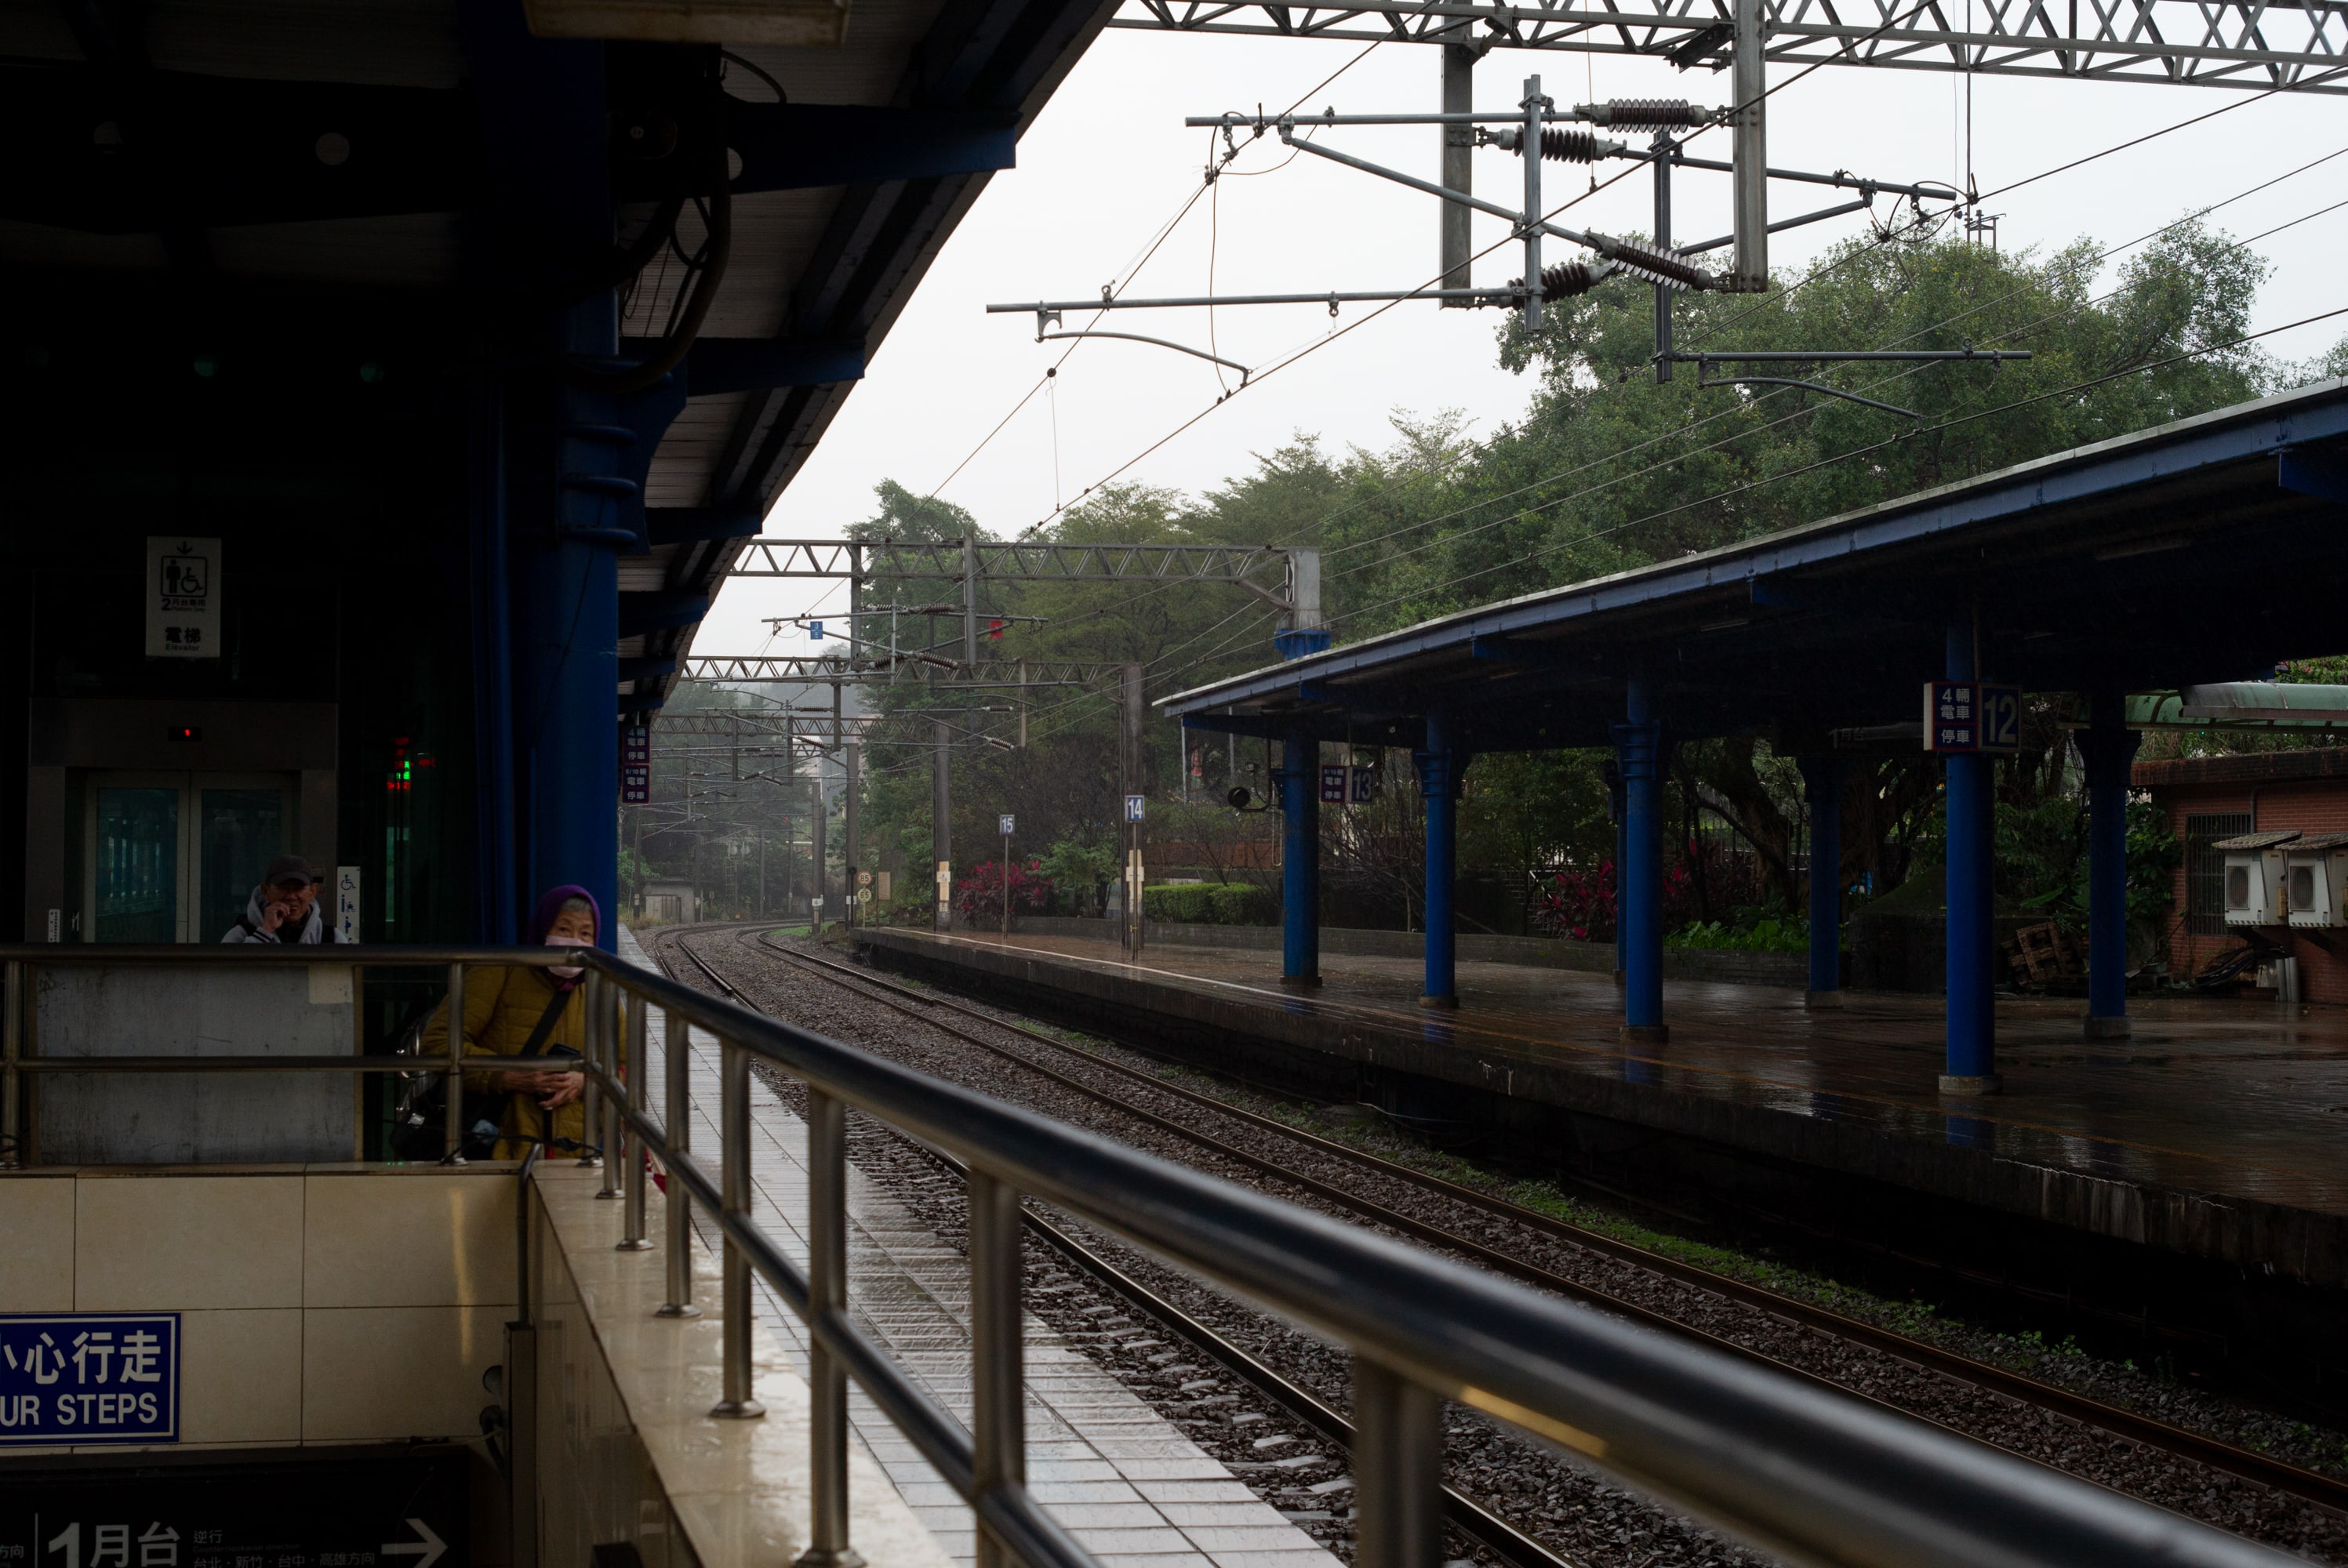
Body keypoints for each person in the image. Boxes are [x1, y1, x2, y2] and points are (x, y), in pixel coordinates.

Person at [417, 886, 610, 1160]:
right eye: (564, 930)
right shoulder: (497, 971)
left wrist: (585, 1080)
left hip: (575, 1157)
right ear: (542, 928)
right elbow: (437, 1044)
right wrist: (507, 1076)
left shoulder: (599, 992)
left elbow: (625, 1068)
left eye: (585, 934)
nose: (573, 942)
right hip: (497, 1148)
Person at [222, 855, 345, 944]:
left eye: (298, 889)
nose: (291, 896)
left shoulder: (331, 938)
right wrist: (265, 931)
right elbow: (228, 976)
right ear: (265, 891)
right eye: (283, 888)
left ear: (312, 892)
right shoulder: (240, 935)